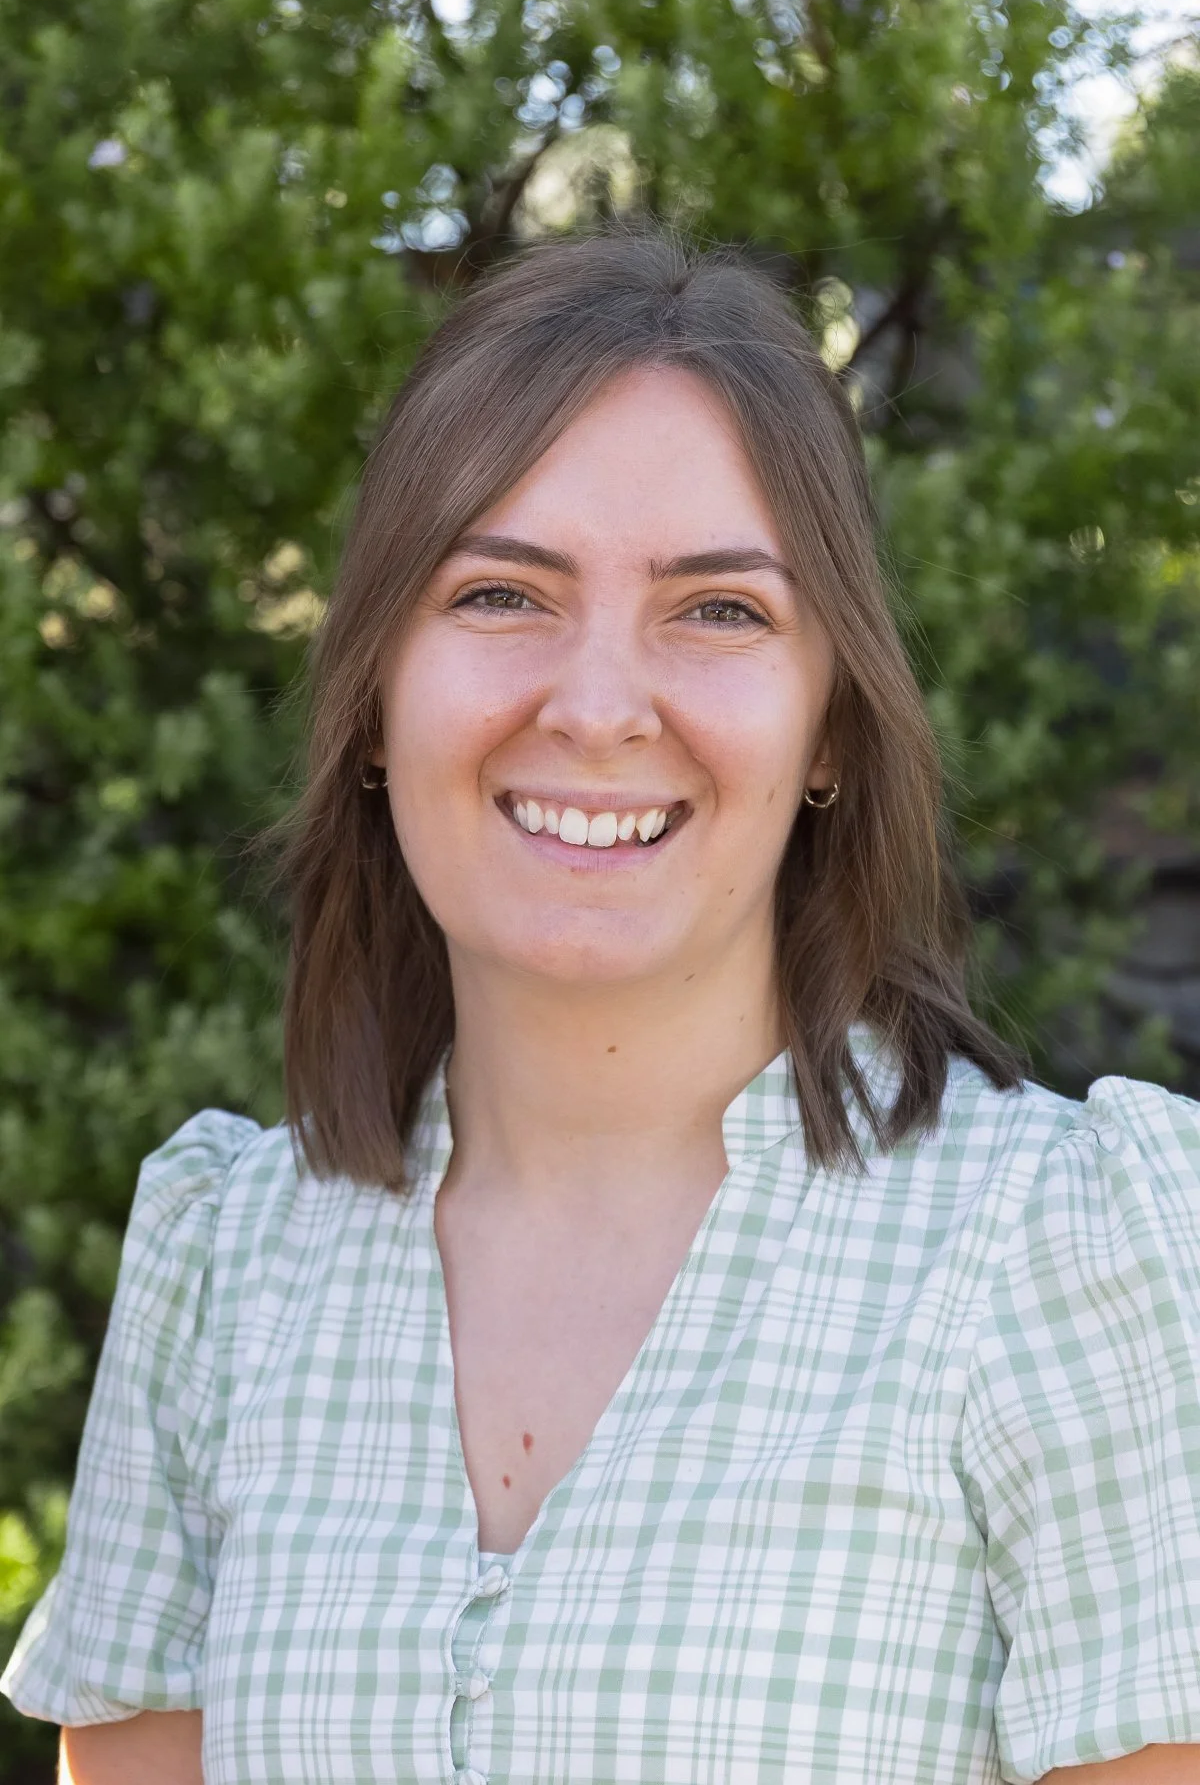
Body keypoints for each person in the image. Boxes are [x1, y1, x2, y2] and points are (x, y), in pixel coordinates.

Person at [4, 230, 1199, 1785]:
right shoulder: (225, 1271)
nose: (597, 705)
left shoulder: (1071, 1255)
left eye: (718, 612)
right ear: (374, 698)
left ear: (830, 727)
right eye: (503, 593)